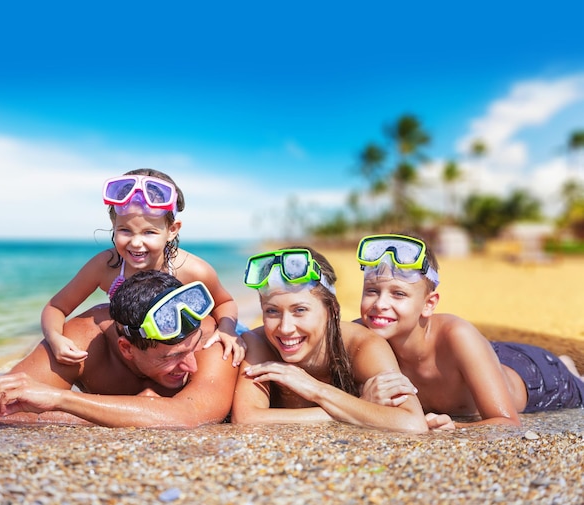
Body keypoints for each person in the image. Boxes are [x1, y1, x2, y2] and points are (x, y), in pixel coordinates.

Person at [354, 232, 584, 428]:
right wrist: (365, 400)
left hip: (538, 378)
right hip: (487, 354)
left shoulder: (457, 335)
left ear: (429, 304)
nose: (380, 304)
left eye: (399, 293)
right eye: (372, 290)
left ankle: (567, 369)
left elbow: (506, 422)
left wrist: (456, 427)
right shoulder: (359, 336)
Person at [41, 168, 246, 367]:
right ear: (114, 225)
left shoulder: (191, 270)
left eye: (149, 232)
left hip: (190, 345)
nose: (136, 243)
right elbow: (57, 307)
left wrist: (228, 331)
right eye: (125, 230)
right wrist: (54, 338)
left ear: (172, 230)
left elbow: (224, 302)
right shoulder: (106, 267)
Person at [0, 270, 238, 428]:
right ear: (126, 348)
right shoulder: (80, 341)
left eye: (191, 349)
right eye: (173, 357)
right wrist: (135, 411)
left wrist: (61, 400)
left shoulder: (211, 337)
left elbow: (189, 415)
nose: (192, 366)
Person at [230, 246, 429, 433]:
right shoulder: (258, 343)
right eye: (272, 311)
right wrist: (358, 405)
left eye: (300, 310)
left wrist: (314, 389)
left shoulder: (362, 346)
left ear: (331, 310)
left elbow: (412, 423)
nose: (285, 328)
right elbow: (246, 418)